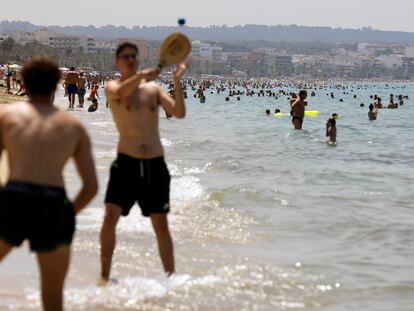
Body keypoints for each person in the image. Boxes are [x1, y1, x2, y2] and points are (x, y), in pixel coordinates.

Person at [0, 57, 98, 311]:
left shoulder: (8, 116)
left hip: (14, 197)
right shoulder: (73, 126)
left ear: (24, 84)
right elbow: (91, 187)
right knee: (53, 299)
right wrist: (67, 211)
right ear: (57, 84)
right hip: (54, 202)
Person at [99, 42, 187, 284]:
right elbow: (118, 94)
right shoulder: (112, 87)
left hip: (154, 164)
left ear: (138, 60)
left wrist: (177, 81)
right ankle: (105, 276)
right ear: (117, 61)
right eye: (125, 57)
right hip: (126, 163)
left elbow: (178, 112)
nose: (130, 60)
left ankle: (171, 278)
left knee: (161, 224)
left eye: (133, 57)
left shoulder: (154, 89)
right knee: (109, 217)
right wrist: (140, 76)